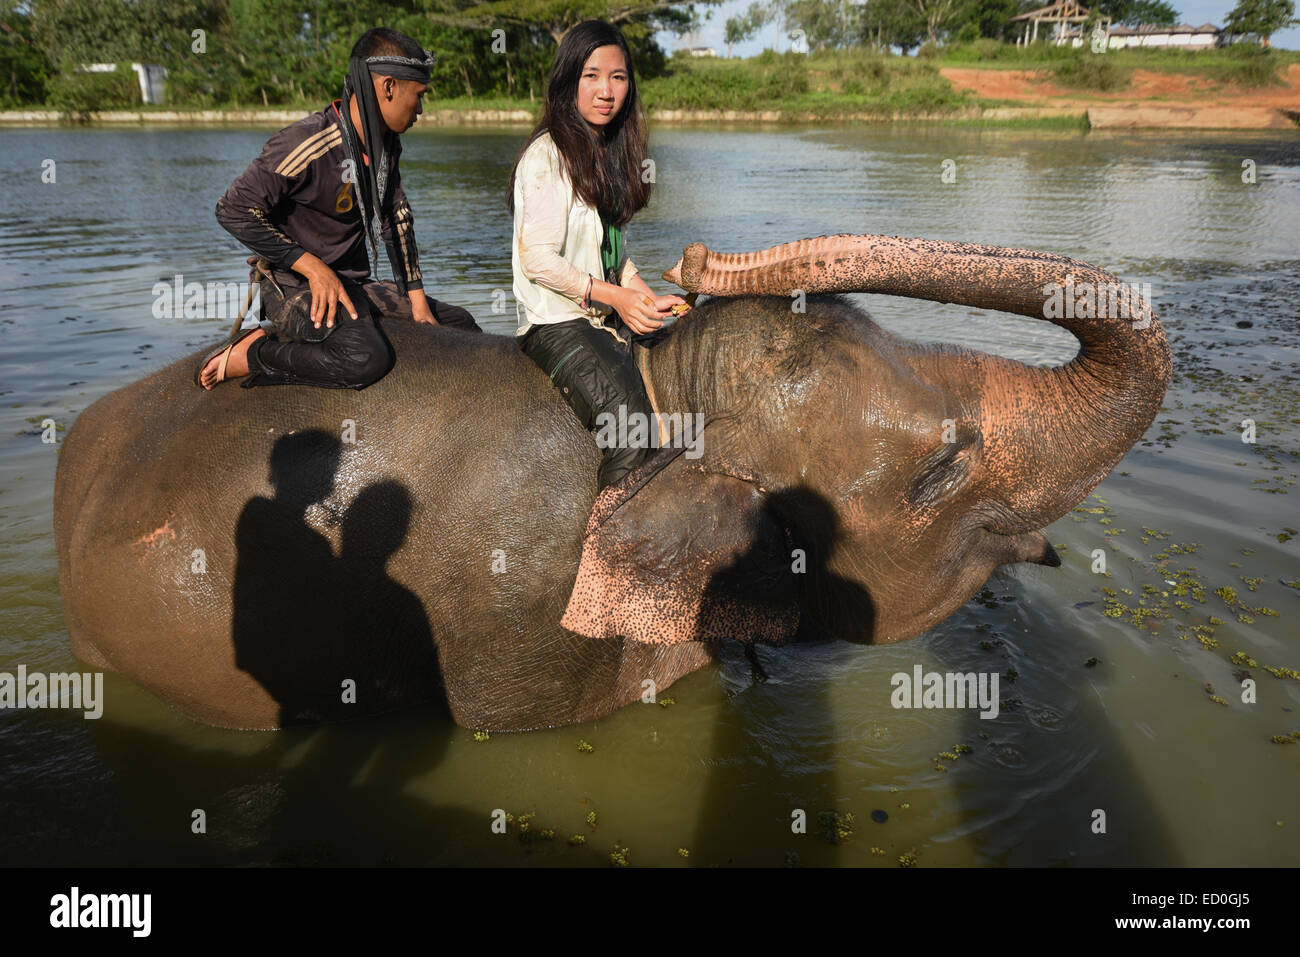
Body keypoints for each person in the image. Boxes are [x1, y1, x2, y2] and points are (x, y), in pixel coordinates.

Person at [198, 27, 481, 391]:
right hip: (293, 286)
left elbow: (397, 221)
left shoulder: (386, 145)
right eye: (420, 96)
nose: (422, 110)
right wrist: (313, 267)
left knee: (461, 326)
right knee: (363, 357)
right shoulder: (307, 142)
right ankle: (254, 354)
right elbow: (233, 209)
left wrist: (418, 305)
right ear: (388, 87)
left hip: (353, 284)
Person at [507, 19, 686, 490]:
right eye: (592, 76)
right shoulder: (549, 156)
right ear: (569, 82)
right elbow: (538, 260)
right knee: (634, 435)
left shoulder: (606, 153)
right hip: (556, 323)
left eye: (618, 77)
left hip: (599, 313)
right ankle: (604, 558)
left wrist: (645, 298)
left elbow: (612, 255)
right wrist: (614, 298)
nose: (606, 90)